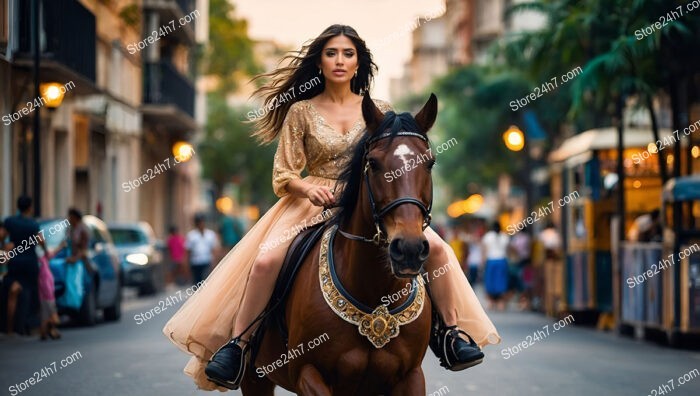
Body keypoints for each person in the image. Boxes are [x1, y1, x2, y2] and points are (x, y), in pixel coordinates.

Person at [163, 24, 500, 391]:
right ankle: (240, 346)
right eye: (332, 53)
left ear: (359, 63)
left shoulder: (381, 111)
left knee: (437, 248)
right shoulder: (301, 112)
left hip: (371, 202)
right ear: (320, 62)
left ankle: (450, 334)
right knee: (264, 262)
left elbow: (393, 162)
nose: (340, 61)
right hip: (310, 202)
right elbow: (284, 173)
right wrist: (307, 187)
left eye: (348, 54)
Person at [2, 196, 46, 336]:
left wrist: (4, 248)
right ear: (30, 208)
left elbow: (2, 235)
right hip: (30, 264)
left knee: (12, 295)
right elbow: (41, 241)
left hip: (14, 263)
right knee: (28, 295)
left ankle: (9, 329)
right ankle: (25, 327)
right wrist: (45, 252)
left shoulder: (10, 221)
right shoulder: (33, 225)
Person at [482, 222, 510, 311]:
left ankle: (491, 302)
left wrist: (483, 262)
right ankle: (501, 304)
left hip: (491, 261)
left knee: (490, 282)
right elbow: (507, 250)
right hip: (502, 260)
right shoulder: (505, 236)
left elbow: (484, 251)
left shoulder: (488, 236)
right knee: (501, 282)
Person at [185, 214, 220, 285]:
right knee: (197, 282)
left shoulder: (210, 234)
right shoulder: (191, 235)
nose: (201, 224)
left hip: (206, 261)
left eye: (202, 222)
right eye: (199, 222)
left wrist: (214, 261)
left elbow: (214, 249)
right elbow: (188, 250)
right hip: (195, 262)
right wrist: (187, 264)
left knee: (206, 281)